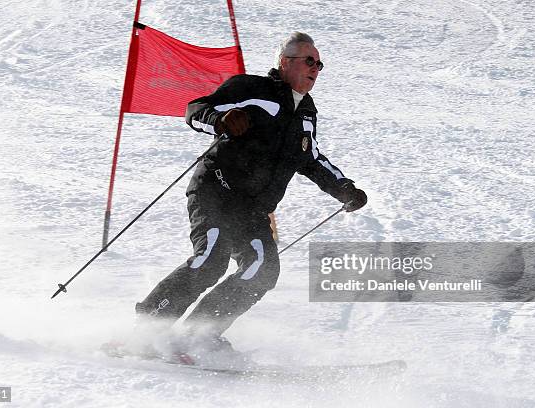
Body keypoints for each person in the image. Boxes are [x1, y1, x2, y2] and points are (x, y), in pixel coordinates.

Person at [135, 32, 367, 352]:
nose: (316, 68)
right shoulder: (251, 88)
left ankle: (197, 334)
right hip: (217, 190)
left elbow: (309, 157)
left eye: (320, 64)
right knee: (211, 259)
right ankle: (146, 329)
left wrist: (344, 188)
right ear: (285, 63)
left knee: (262, 270)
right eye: (309, 61)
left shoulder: (306, 111)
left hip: (252, 210)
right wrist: (222, 120)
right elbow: (196, 109)